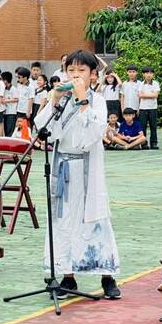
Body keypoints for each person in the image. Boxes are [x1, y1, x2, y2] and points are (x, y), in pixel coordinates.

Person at [34, 49, 121, 300]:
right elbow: (44, 128)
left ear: (93, 74)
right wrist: (53, 100)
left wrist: (82, 101)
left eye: (81, 70)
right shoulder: (61, 99)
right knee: (63, 222)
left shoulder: (98, 101)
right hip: (63, 168)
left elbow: (93, 136)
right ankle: (67, 276)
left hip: (87, 170)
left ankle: (107, 276)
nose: (75, 75)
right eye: (71, 70)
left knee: (96, 220)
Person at [138, 66, 160, 150]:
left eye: (150, 73)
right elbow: (140, 95)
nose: (149, 75)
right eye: (147, 73)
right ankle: (143, 143)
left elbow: (156, 95)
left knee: (153, 126)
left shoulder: (155, 83)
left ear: (153, 74)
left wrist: (145, 95)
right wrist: (150, 94)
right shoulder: (140, 84)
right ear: (143, 74)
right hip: (143, 108)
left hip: (153, 108)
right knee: (143, 127)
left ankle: (154, 143)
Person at [2, 71, 18, 137]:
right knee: (5, 128)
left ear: (6, 80)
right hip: (5, 112)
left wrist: (7, 100)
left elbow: (16, 99)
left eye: (2, 79)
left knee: (10, 129)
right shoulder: (3, 89)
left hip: (11, 112)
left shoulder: (13, 89)